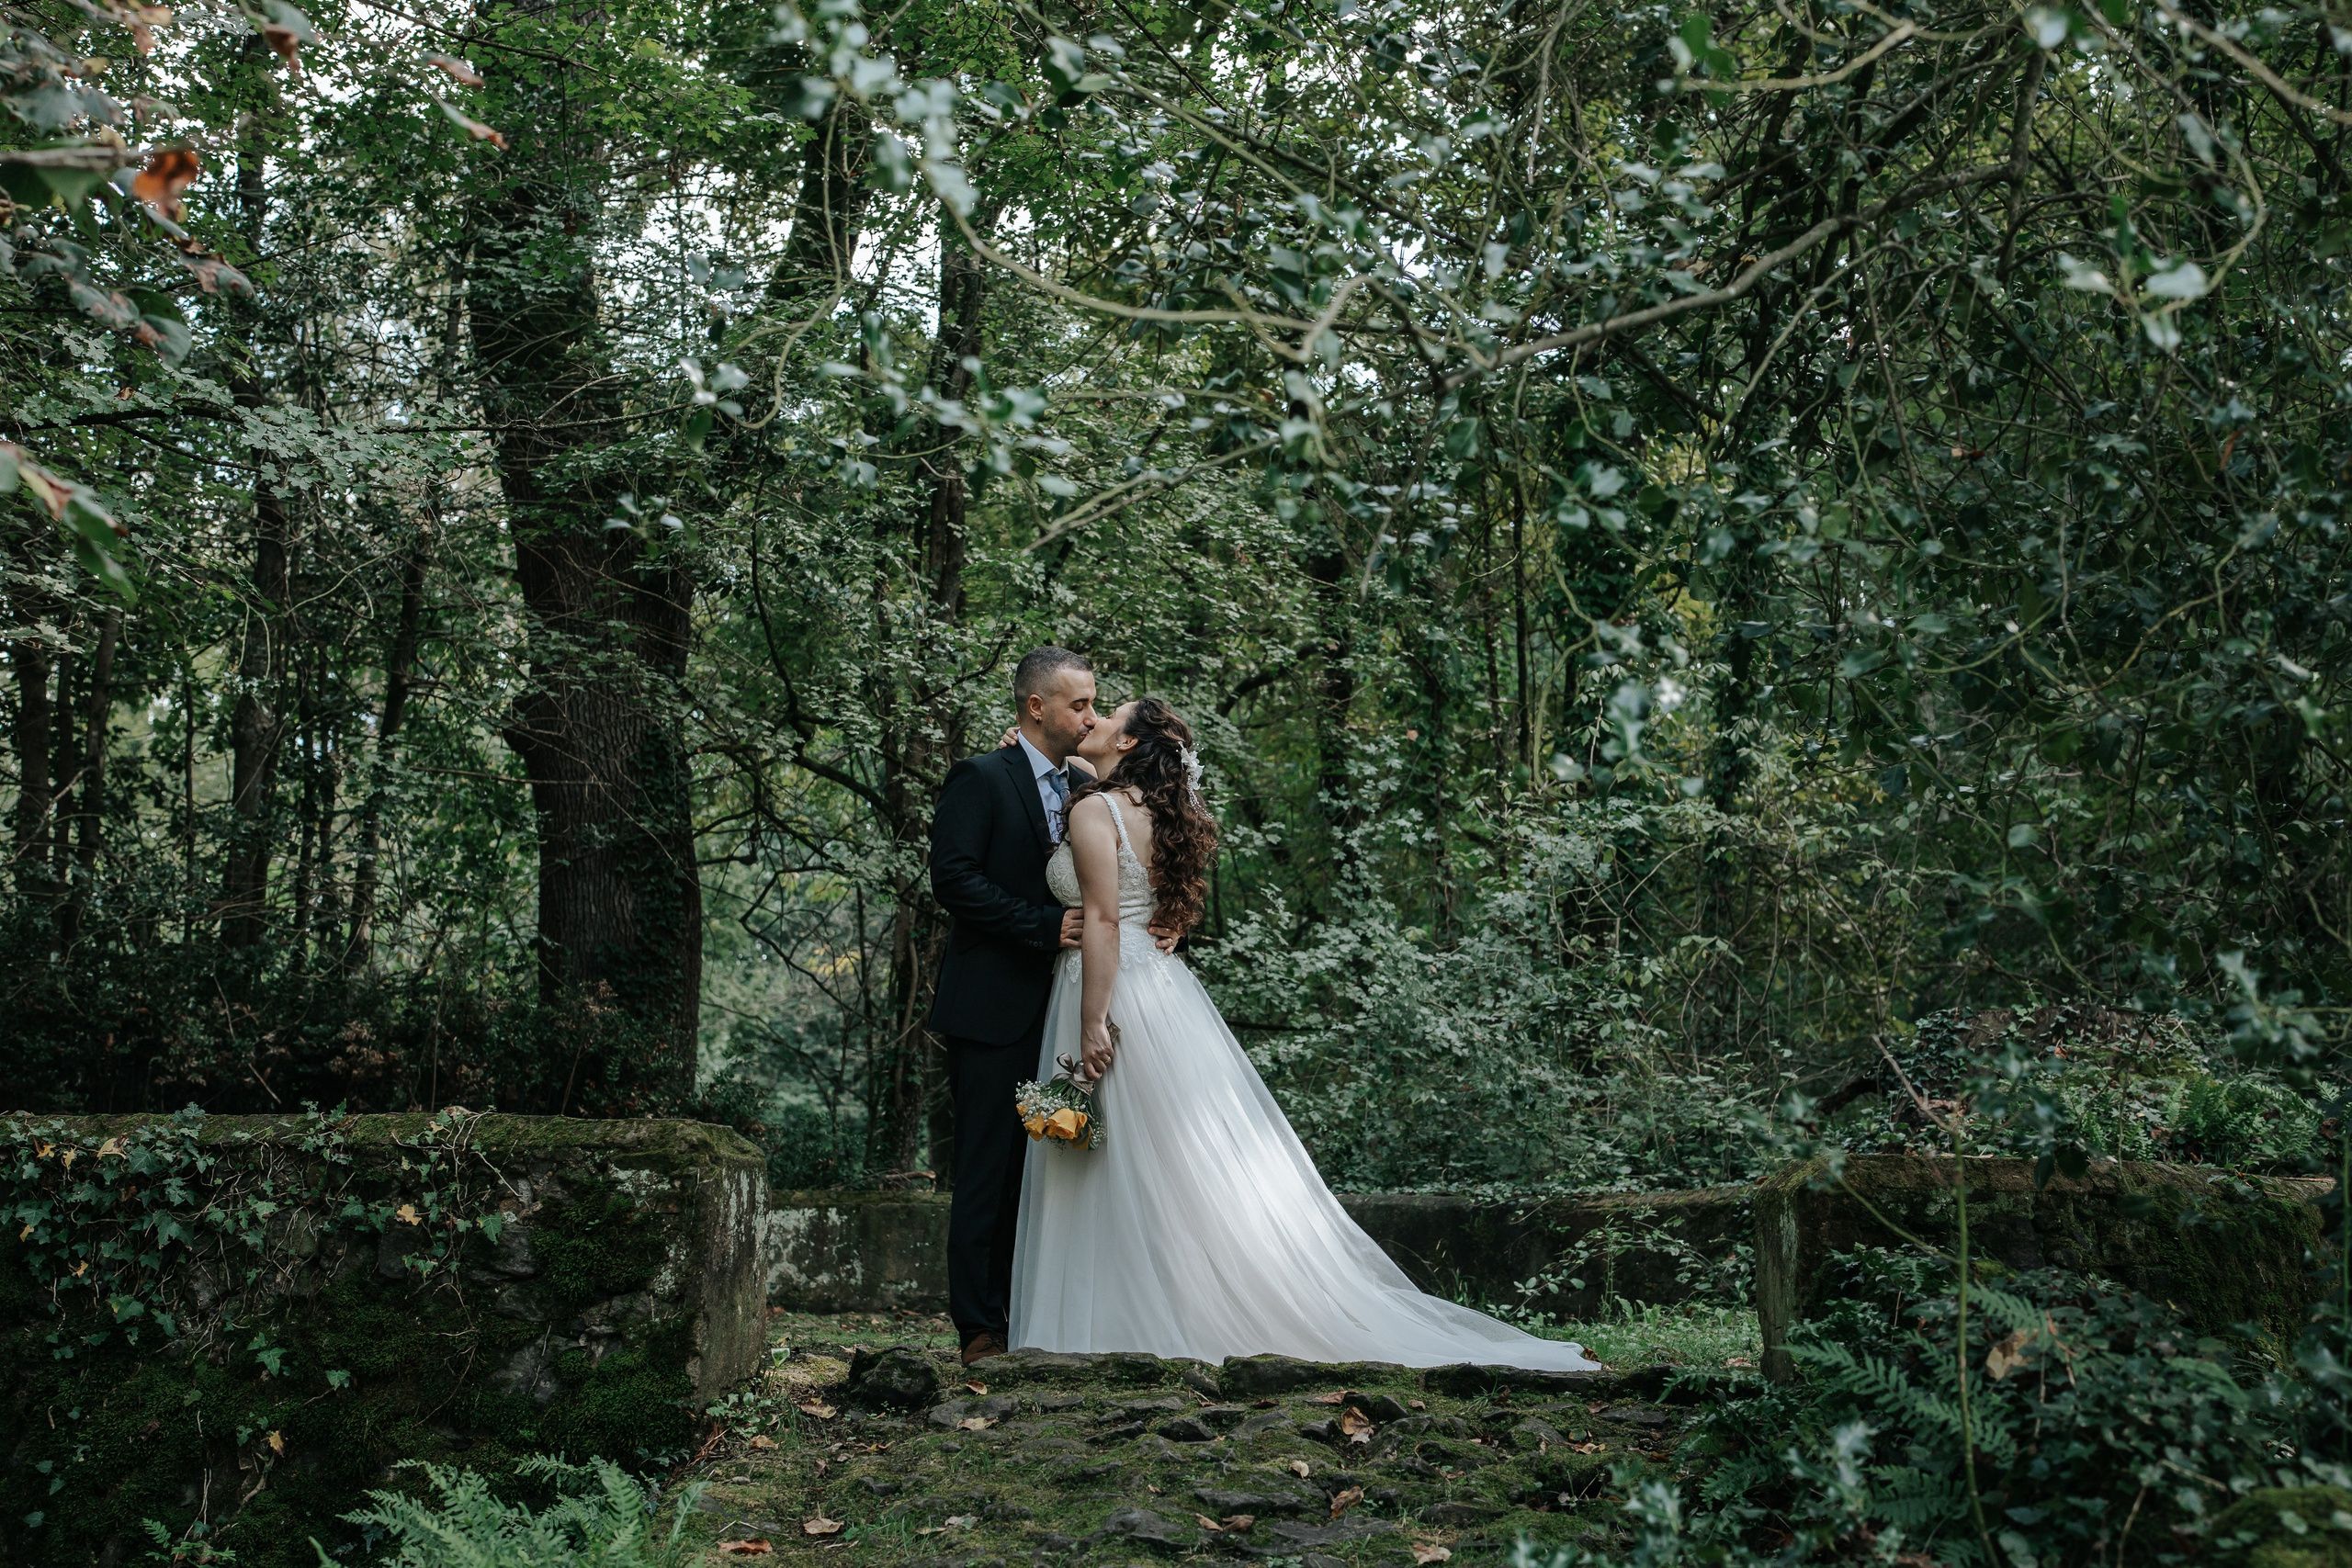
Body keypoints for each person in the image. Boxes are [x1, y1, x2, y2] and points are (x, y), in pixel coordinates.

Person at [1008, 696, 1600, 1371]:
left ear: (1132, 739)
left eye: (1107, 714)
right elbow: (1157, 905)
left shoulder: (1094, 810)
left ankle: (1109, 1321)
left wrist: (1092, 1020)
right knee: (1166, 1168)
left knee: (1110, 1162)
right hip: (1164, 996)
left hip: (1109, 990)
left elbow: (1108, 923)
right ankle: (1152, 1307)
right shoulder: (1156, 810)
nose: (1093, 720)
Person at [927, 646, 1099, 1368]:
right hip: (994, 1014)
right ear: (1037, 708)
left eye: (1094, 704)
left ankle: (1035, 1311)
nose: (1090, 715)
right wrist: (1040, 926)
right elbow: (953, 877)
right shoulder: (980, 776)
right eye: (1079, 704)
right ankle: (978, 1329)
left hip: (1060, 1016)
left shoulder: (1089, 784)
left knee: (1055, 1159)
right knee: (989, 1168)